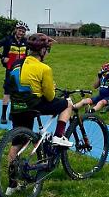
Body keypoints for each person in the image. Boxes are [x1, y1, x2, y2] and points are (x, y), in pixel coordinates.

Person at [7, 33, 73, 181]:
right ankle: (59, 136)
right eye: (47, 50)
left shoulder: (16, 64)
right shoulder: (44, 68)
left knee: (17, 143)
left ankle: (12, 184)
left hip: (16, 106)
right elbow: (50, 97)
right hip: (33, 105)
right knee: (67, 104)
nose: (47, 53)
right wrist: (51, 88)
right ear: (42, 51)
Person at [0, 22, 28, 124]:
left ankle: (12, 113)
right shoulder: (8, 39)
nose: (21, 33)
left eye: (23, 31)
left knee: (18, 92)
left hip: (21, 70)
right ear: (16, 30)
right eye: (19, 30)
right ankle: (3, 115)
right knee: (7, 92)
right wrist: (2, 57)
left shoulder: (25, 41)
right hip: (10, 70)